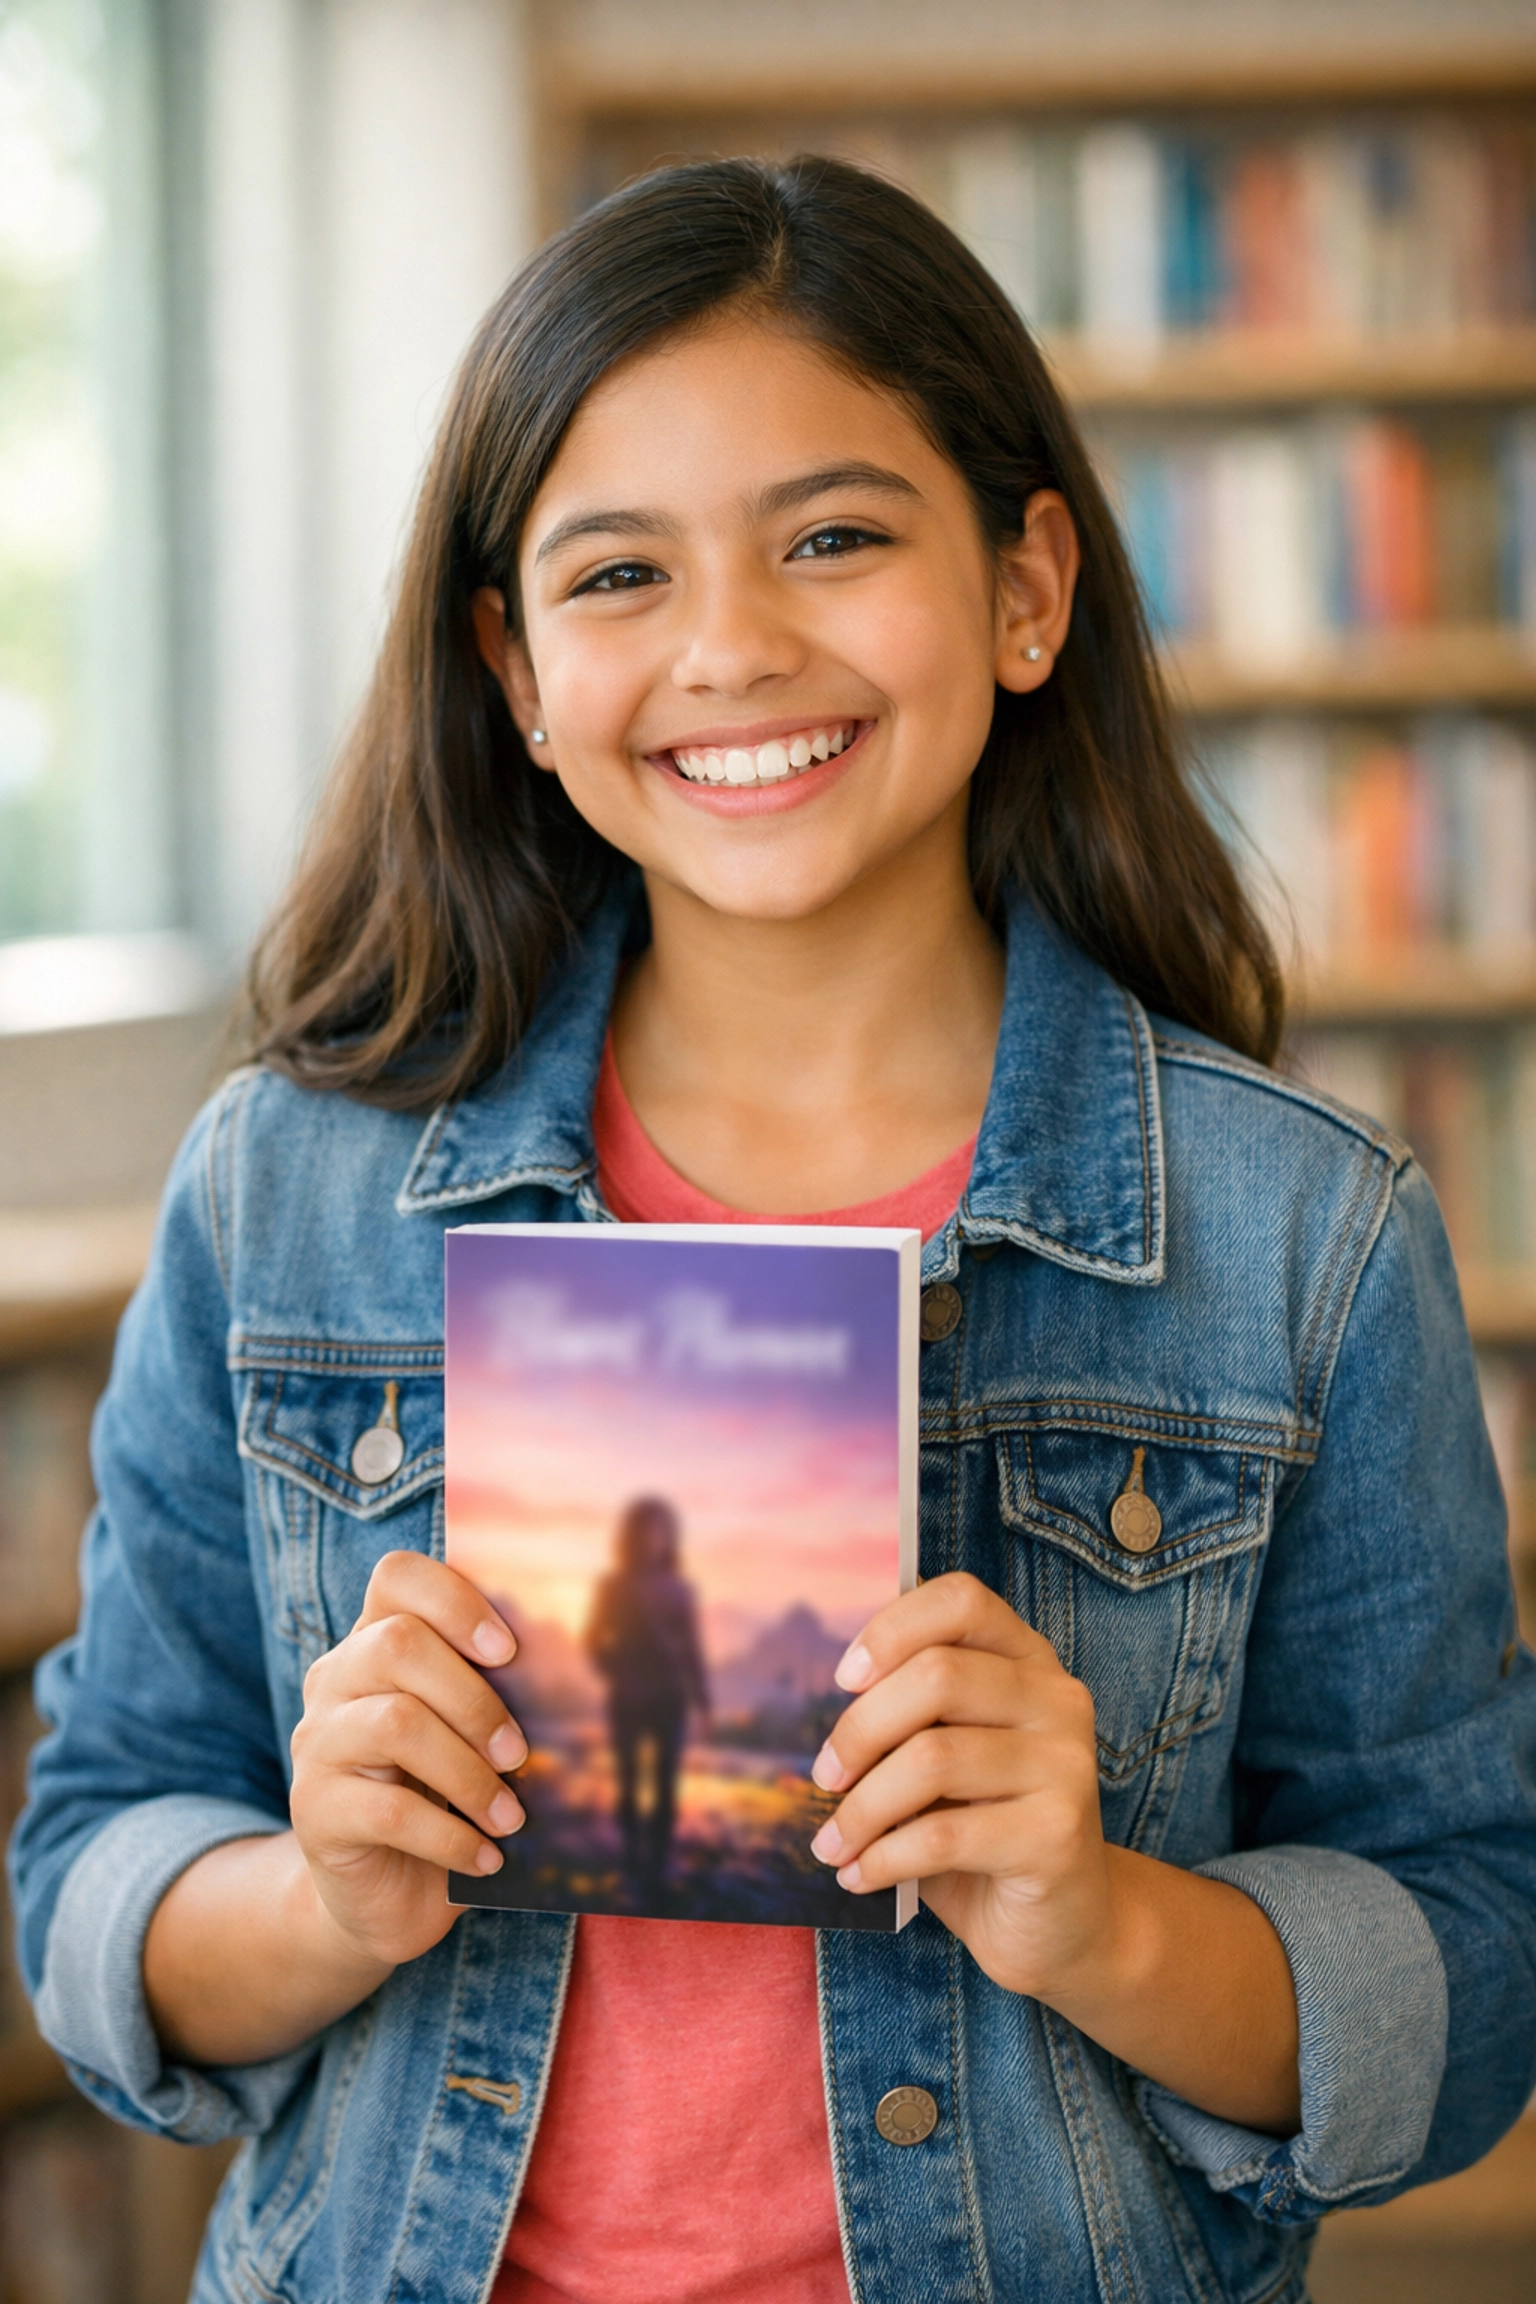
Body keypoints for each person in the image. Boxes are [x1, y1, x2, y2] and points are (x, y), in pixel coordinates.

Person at [8, 155, 1535, 2304]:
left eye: (831, 536)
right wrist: (319, 1893)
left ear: (1027, 589)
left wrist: (1104, 1918)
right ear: (515, 670)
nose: (731, 645)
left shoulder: (1307, 1242)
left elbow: (1474, 1972)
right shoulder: (283, 1196)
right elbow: (92, 1868)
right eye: (617, 573)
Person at [584, 1497, 709, 1888]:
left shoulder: (679, 1590)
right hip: (627, 1698)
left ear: (669, 1538)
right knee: (629, 1783)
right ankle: (633, 1859)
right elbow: (592, 1637)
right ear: (633, 1535)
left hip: (670, 1699)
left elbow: (692, 1649)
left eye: (662, 1531)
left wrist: (703, 1702)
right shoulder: (613, 1586)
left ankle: (655, 1867)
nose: (654, 1539)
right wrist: (612, 1667)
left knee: (665, 1784)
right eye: (647, 1530)